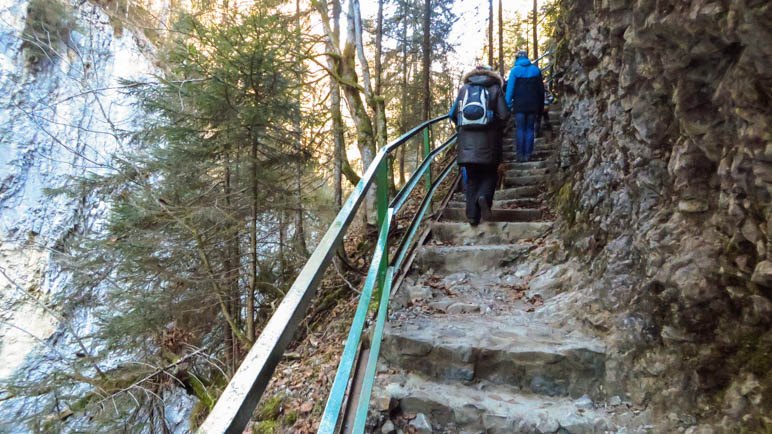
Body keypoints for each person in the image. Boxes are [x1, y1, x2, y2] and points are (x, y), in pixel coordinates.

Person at [449, 65, 510, 226]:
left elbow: (452, 114)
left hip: (466, 143)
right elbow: (504, 114)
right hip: (489, 142)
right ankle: (484, 197)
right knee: (490, 173)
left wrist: (462, 128)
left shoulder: (464, 89)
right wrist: (495, 125)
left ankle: (472, 216)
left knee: (472, 178)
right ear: (491, 74)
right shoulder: (495, 88)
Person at [505, 51, 544, 162]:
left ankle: (520, 155)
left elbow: (510, 90)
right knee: (530, 129)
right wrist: (541, 105)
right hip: (533, 105)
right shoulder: (536, 70)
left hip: (519, 106)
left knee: (520, 129)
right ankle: (528, 154)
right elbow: (541, 91)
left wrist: (507, 105)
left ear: (517, 59)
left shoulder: (514, 71)